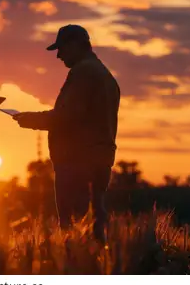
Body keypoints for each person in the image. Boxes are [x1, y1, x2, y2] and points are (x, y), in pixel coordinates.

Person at [13, 24, 120, 242]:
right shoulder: (104, 74)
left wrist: (30, 120)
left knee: (75, 231)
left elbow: (68, 116)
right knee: (94, 227)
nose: (59, 55)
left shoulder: (84, 72)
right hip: (98, 161)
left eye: (62, 48)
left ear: (76, 45)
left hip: (78, 163)